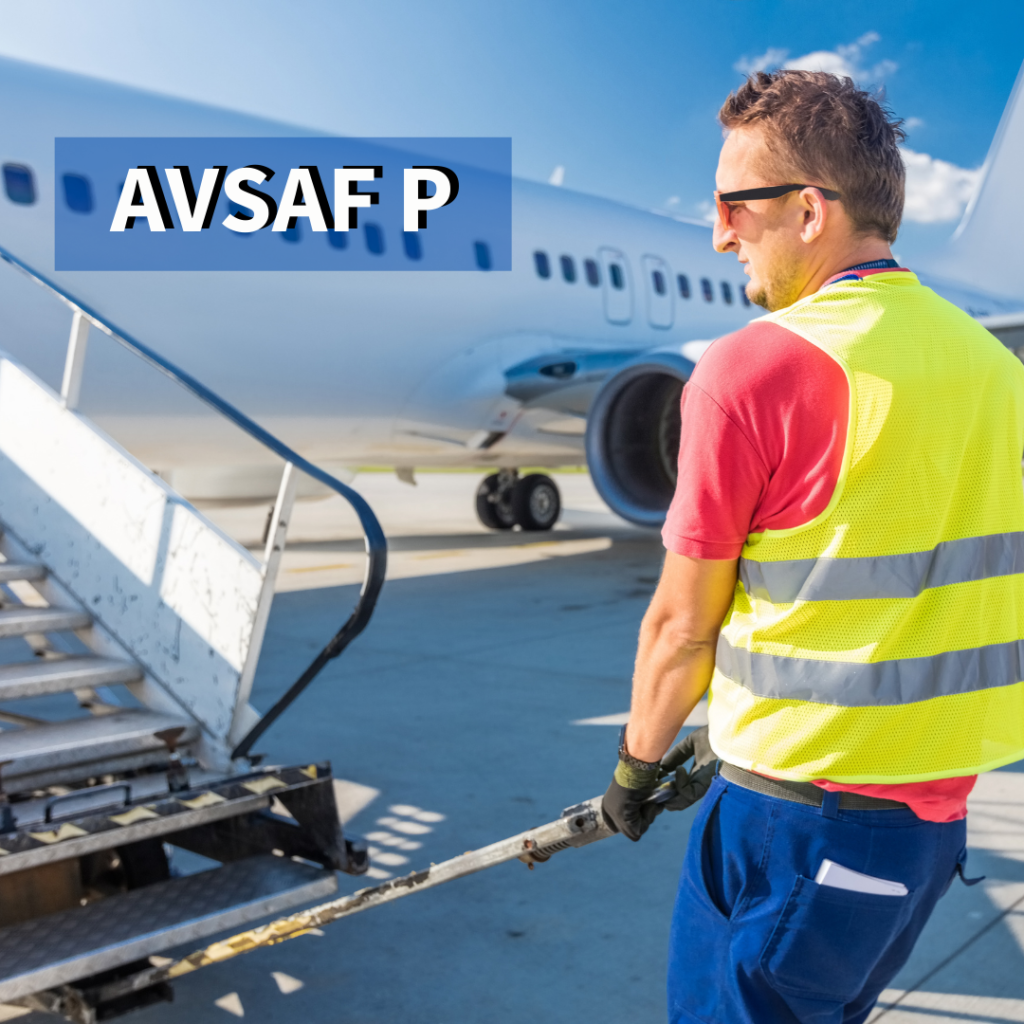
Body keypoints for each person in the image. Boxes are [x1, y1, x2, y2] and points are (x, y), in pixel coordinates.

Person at [601, 69, 1024, 1024]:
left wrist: (636, 766)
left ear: (806, 211)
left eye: (732, 206)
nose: (718, 234)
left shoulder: (755, 365)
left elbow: (677, 627)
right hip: (931, 824)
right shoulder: (999, 374)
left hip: (794, 817)